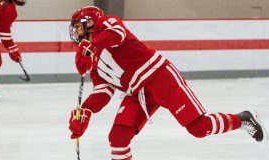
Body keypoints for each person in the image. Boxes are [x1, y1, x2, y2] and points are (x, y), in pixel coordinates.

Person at [68, 6, 268, 160]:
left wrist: (91, 46)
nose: (76, 32)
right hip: (137, 94)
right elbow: (103, 91)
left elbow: (118, 34)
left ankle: (242, 119)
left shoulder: (106, 23)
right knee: (118, 138)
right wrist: (85, 111)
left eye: (78, 26)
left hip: (159, 76)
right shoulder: (92, 60)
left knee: (199, 128)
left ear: (91, 22)